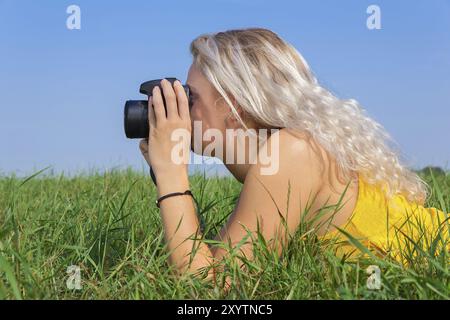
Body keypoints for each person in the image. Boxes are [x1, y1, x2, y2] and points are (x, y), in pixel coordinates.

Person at [138, 28, 448, 291]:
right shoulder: (280, 158)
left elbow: (212, 290)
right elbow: (211, 261)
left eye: (191, 98)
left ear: (233, 107)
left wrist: (171, 174)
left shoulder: (292, 151)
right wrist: (164, 168)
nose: (181, 111)